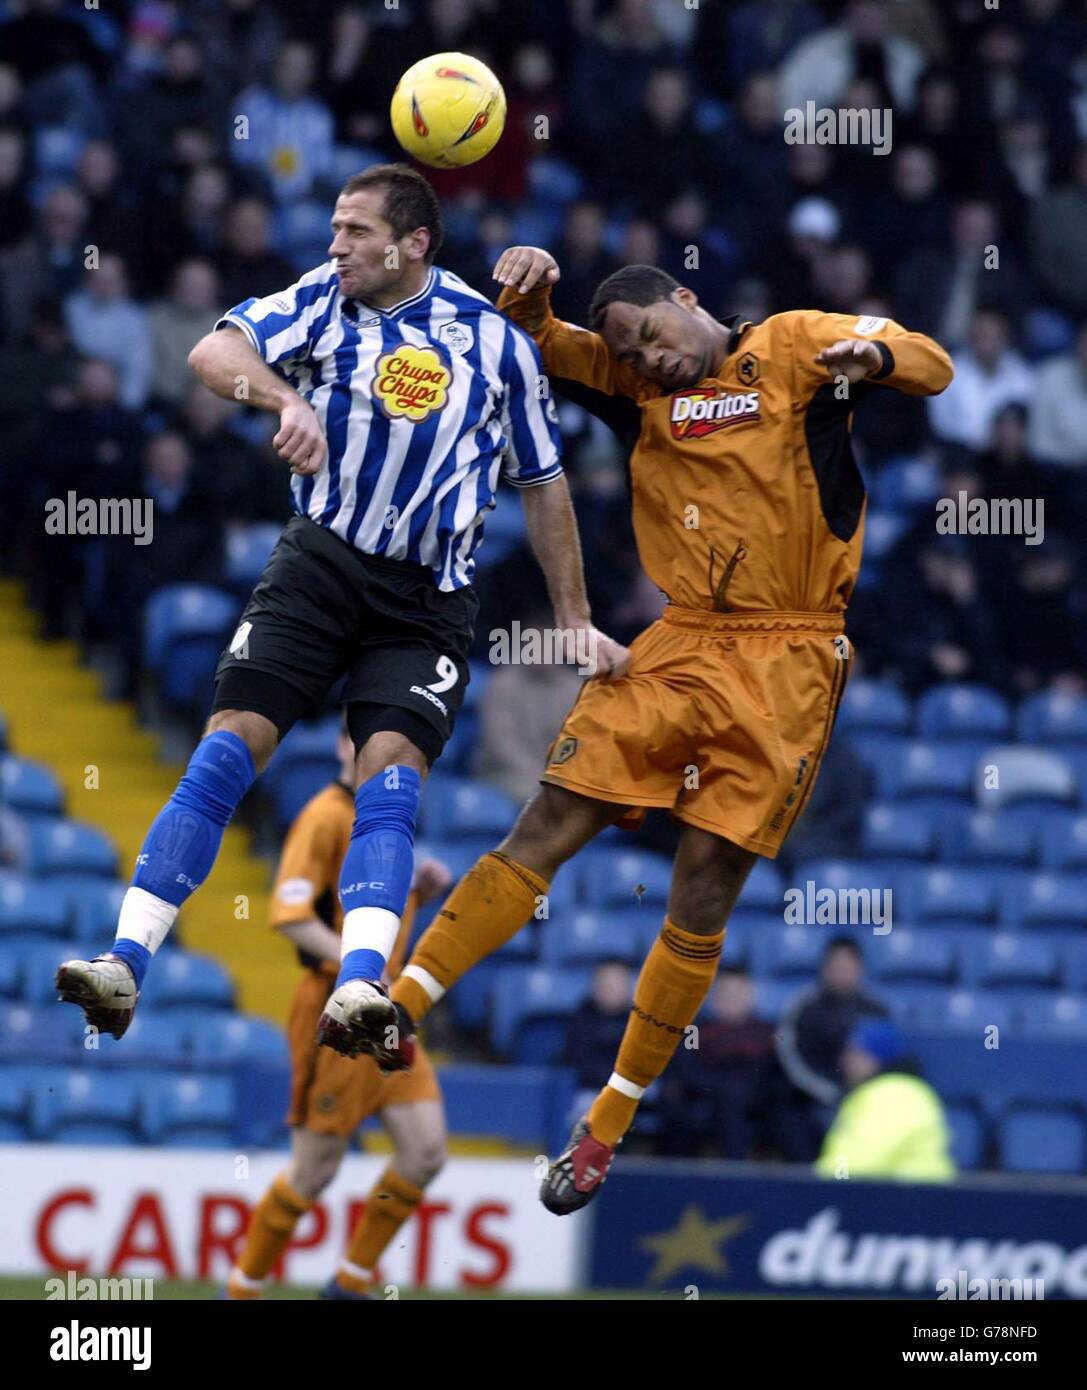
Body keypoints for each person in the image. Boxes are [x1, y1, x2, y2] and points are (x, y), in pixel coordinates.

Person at [357, 242, 952, 1214]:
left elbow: (934, 360)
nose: (648, 360)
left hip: (788, 656)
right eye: (628, 352)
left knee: (703, 889)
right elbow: (533, 343)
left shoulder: (798, 345)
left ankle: (604, 1127)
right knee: (546, 821)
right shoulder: (633, 385)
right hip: (677, 645)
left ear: (684, 297)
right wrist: (534, 284)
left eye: (650, 336)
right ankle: (399, 1002)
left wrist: (873, 363)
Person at [56, 164, 627, 1065]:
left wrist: (573, 615)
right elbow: (215, 352)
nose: (335, 246)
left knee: (389, 774)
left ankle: (363, 984)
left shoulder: (494, 342)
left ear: (413, 244)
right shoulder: (322, 300)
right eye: (333, 228)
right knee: (230, 740)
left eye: (355, 231)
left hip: (425, 600)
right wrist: (283, 398)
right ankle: (125, 961)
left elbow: (545, 483)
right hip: (319, 563)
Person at [228, 722, 451, 1300]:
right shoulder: (327, 816)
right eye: (365, 740)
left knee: (425, 1152)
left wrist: (417, 892)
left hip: (389, 1010)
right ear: (343, 748)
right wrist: (360, 968)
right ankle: (242, 1290)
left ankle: (349, 1285)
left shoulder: (388, 815)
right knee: (315, 1170)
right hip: (338, 1009)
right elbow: (293, 915)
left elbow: (361, 905)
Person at [775, 937, 887, 1161]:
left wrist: (860, 1095)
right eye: (836, 967)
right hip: (810, 1098)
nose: (842, 972)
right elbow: (790, 1056)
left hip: (864, 1100)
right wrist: (829, 1092)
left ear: (860, 969)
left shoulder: (875, 1008)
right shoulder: (805, 1006)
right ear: (824, 969)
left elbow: (886, 1059)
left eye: (848, 966)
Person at [815, 1018, 956, 1182]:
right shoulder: (884, 1092)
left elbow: (858, 1163)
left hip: (911, 1200)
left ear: (877, 1058)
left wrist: (812, 1191)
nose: (844, 1061)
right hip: (901, 1198)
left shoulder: (896, 1095)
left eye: (855, 1054)